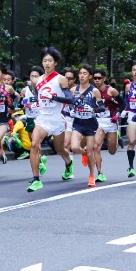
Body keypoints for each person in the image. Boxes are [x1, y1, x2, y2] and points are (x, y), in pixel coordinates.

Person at [27, 47, 74, 192]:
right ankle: (36, 179)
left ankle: (68, 162)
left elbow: (70, 99)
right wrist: (34, 101)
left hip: (57, 119)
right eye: (44, 60)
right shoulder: (38, 80)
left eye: (50, 61)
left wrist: (53, 97)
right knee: (34, 144)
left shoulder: (61, 79)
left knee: (60, 149)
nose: (47, 64)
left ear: (55, 63)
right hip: (42, 118)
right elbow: (38, 96)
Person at [52, 64, 103, 188]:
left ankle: (91, 175)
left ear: (90, 76)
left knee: (90, 150)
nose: (82, 76)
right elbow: (70, 103)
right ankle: (83, 153)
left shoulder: (94, 91)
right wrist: (68, 110)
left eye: (85, 73)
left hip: (90, 124)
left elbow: (102, 107)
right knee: (74, 147)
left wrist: (93, 110)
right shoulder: (74, 90)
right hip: (78, 123)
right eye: (80, 73)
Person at [93, 68, 125, 182]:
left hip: (111, 121)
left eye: (99, 78)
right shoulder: (91, 91)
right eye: (95, 78)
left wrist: (117, 114)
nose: (97, 80)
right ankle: (100, 173)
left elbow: (123, 103)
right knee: (96, 146)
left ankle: (117, 137)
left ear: (104, 78)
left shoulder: (111, 91)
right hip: (99, 122)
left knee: (112, 151)